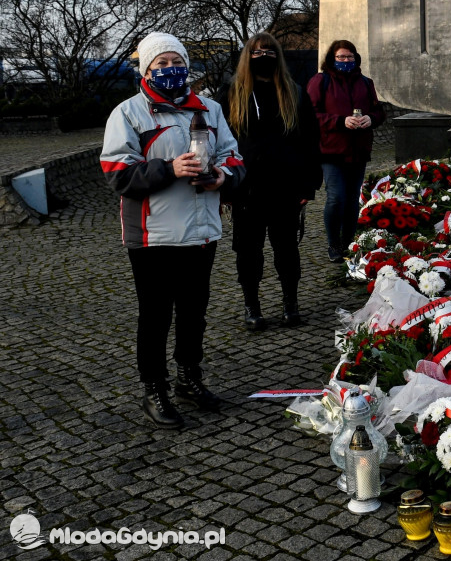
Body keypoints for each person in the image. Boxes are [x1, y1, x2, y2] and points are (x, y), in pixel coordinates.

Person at [101, 32, 245, 429]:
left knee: (194, 313)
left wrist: (221, 176)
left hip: (201, 231)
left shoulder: (210, 109)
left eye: (175, 62)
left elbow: (233, 157)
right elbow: (116, 172)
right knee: (155, 315)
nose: (169, 70)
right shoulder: (129, 113)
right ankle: (155, 388)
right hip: (153, 235)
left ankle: (189, 379)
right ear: (146, 70)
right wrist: (169, 169)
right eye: (160, 64)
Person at [220, 33, 321, 330]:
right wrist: (224, 186)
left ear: (278, 55)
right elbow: (217, 142)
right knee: (248, 253)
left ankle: (291, 304)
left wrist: (309, 185)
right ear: (247, 56)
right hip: (246, 188)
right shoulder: (231, 94)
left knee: (287, 251)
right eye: (256, 51)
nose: (263, 55)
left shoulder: (294, 93)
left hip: (286, 187)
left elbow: (311, 142)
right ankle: (253, 306)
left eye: (269, 51)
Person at [307, 40, 385, 263]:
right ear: (332, 58)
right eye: (341, 57)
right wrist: (341, 121)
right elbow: (311, 114)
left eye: (349, 57)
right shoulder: (320, 81)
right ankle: (333, 243)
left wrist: (371, 118)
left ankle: (349, 242)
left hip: (358, 149)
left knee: (352, 200)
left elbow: (378, 111)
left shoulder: (365, 83)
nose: (345, 61)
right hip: (331, 150)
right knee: (336, 198)